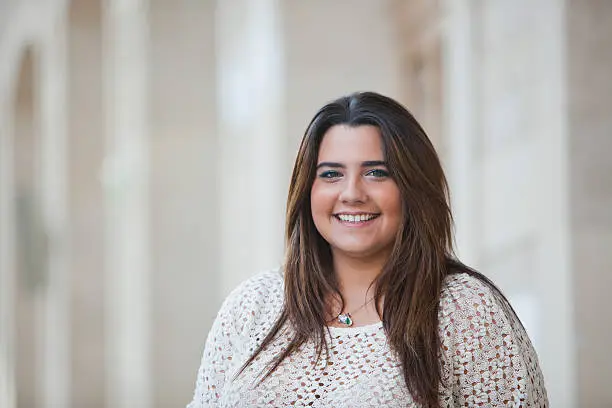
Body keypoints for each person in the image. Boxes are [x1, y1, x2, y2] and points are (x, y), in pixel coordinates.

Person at [186, 92, 548, 407]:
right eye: (330, 174)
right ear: (306, 190)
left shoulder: (465, 309)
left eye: (376, 172)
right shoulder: (252, 305)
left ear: (411, 187)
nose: (353, 192)